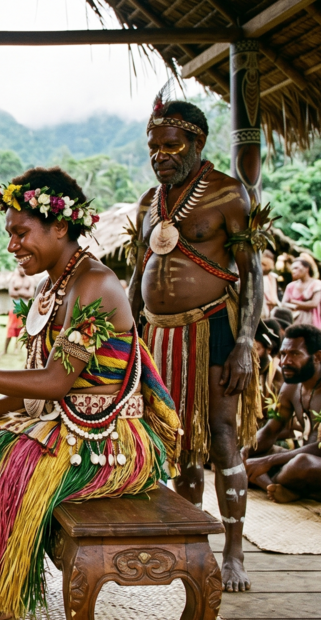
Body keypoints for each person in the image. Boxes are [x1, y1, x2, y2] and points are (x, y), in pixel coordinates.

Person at [0, 167, 180, 620]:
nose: (13, 246)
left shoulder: (94, 284)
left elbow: (53, 383)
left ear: (60, 226)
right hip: (63, 424)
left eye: (21, 233)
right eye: (10, 234)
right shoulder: (54, 283)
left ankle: (0, 590)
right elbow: (44, 380)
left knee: (1, 472)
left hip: (104, 441)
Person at [127, 96, 263, 592]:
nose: (160, 154)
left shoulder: (229, 195)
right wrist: (128, 333)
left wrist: (245, 341)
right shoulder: (149, 201)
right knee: (178, 441)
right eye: (153, 146)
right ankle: (191, 540)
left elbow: (253, 276)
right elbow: (138, 273)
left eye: (170, 144)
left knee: (222, 435)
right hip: (159, 335)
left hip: (214, 328)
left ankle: (233, 552)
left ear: (197, 142)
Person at [245, 324, 321, 503]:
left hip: (311, 463)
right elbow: (271, 430)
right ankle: (285, 488)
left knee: (302, 464)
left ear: (317, 357)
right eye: (283, 354)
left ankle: (266, 482)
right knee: (240, 453)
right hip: (300, 460)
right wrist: (245, 451)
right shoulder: (291, 386)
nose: (285, 361)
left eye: (295, 354)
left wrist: (270, 461)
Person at [281, 256, 321, 328]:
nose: (293, 271)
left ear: (306, 268)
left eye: (296, 268)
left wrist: (294, 303)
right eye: (292, 269)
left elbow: (314, 303)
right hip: (294, 322)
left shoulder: (317, 284)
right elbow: (283, 304)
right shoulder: (291, 286)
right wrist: (303, 305)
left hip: (312, 323)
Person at [5, 266, 33, 354]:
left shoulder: (30, 280)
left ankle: (16, 348)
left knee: (21, 329)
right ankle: (5, 350)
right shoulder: (13, 279)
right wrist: (24, 292)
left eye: (24, 268)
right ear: (18, 268)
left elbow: (31, 294)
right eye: (20, 268)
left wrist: (18, 292)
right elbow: (11, 293)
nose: (22, 270)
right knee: (10, 329)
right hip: (14, 308)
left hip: (24, 308)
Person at [262, 250, 281, 319]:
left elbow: (275, 300)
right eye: (263, 264)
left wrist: (275, 303)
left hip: (267, 315)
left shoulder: (271, 277)